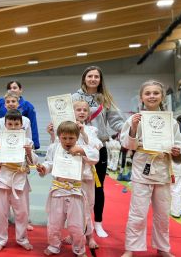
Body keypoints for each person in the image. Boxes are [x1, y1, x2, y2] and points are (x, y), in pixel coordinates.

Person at [120, 80, 181, 257]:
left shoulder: (171, 122)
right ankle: (131, 248)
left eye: (156, 93)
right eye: (148, 93)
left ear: (162, 96)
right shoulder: (134, 119)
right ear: (142, 97)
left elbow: (180, 148)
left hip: (163, 170)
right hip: (142, 170)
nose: (152, 96)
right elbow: (127, 145)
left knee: (162, 215)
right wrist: (133, 128)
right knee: (138, 213)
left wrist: (177, 152)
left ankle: (163, 248)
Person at [72, 65, 124, 238]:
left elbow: (116, 122)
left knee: (98, 186)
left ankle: (98, 223)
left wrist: (131, 128)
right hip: (77, 147)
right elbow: (63, 118)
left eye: (96, 76)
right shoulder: (73, 97)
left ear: (100, 80)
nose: (93, 79)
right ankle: (77, 225)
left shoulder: (106, 99)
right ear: (84, 78)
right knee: (75, 186)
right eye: (90, 76)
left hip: (98, 147)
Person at [46, 100, 102, 251]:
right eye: (78, 109)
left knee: (86, 208)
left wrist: (83, 133)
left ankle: (89, 236)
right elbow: (56, 150)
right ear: (72, 111)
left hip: (85, 175)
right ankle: (71, 237)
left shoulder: (91, 129)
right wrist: (52, 134)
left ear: (88, 113)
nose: (82, 112)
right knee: (66, 213)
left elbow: (96, 148)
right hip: (65, 177)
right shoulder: (64, 127)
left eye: (85, 110)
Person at [37, 121, 98, 257]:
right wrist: (44, 168)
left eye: (71, 138)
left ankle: (79, 249)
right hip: (57, 191)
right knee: (54, 223)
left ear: (77, 137)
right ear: (59, 137)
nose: (68, 141)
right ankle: (53, 245)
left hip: (75, 191)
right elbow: (49, 163)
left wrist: (82, 150)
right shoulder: (54, 148)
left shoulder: (82, 148)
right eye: (64, 138)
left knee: (76, 225)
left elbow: (95, 157)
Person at [0, 109, 37, 252]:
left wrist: (29, 152)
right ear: (5, 125)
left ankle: (22, 238)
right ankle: (0, 239)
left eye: (16, 124)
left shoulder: (27, 141)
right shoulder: (0, 141)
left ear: (21, 125)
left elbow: (33, 163)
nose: (13, 127)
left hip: (20, 180)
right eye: (10, 124)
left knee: (22, 213)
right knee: (0, 212)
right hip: (3, 179)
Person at [0, 80, 40, 149]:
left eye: (13, 101)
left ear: (18, 104)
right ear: (5, 105)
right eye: (8, 102)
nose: (11, 104)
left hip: (21, 151)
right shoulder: (0, 122)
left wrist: (34, 145)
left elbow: (29, 136)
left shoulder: (26, 120)